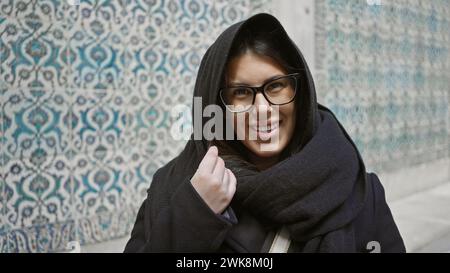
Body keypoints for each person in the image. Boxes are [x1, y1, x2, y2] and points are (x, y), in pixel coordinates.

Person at [124, 13, 406, 253]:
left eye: (275, 86)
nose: (262, 109)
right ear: (218, 105)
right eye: (242, 92)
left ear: (300, 93)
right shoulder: (174, 189)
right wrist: (193, 215)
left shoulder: (355, 191)